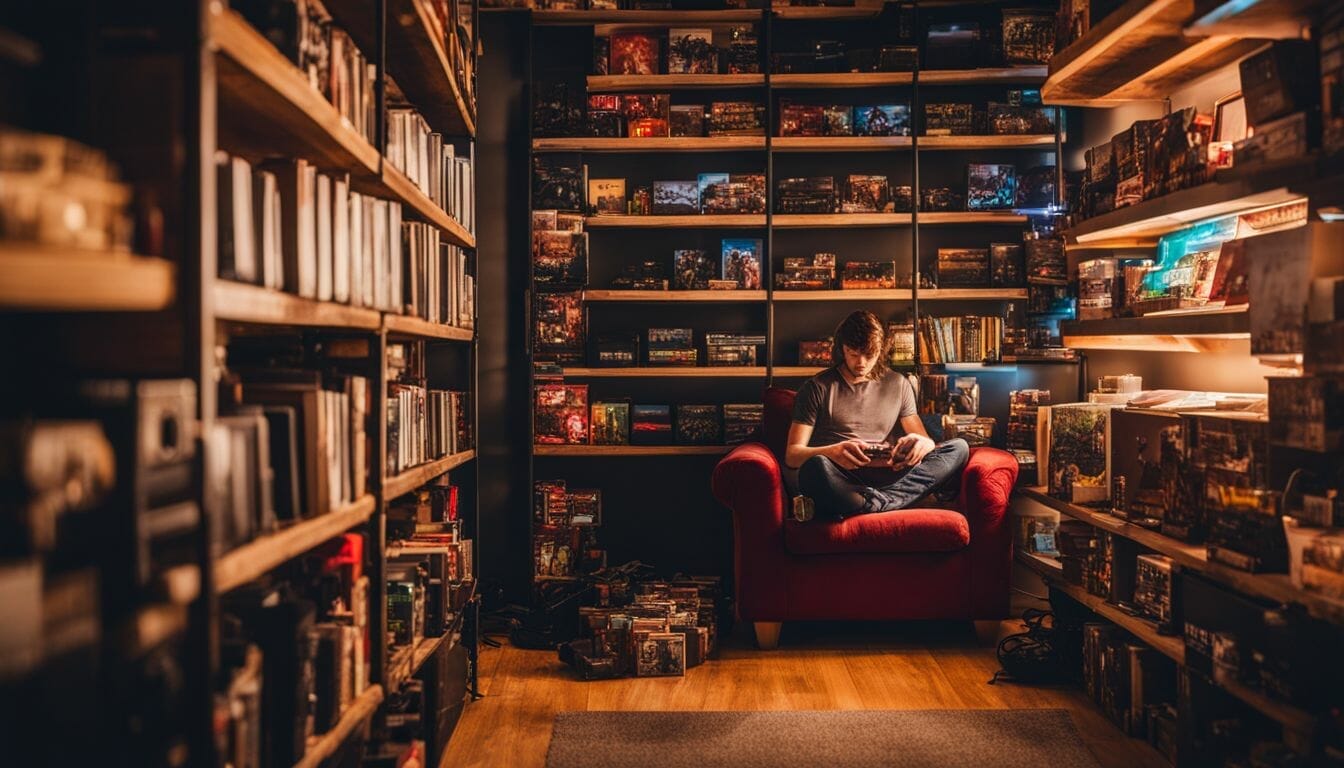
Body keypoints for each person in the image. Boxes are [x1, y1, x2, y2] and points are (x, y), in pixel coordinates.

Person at [785, 310, 969, 520]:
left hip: (889, 477)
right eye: (853, 354)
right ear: (842, 349)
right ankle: (883, 502)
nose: (861, 362)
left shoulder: (899, 384)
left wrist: (922, 444)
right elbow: (792, 455)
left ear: (880, 350)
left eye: (869, 355)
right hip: (841, 478)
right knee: (815, 468)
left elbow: (924, 441)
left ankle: (873, 503)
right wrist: (833, 452)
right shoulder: (817, 387)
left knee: (959, 448)